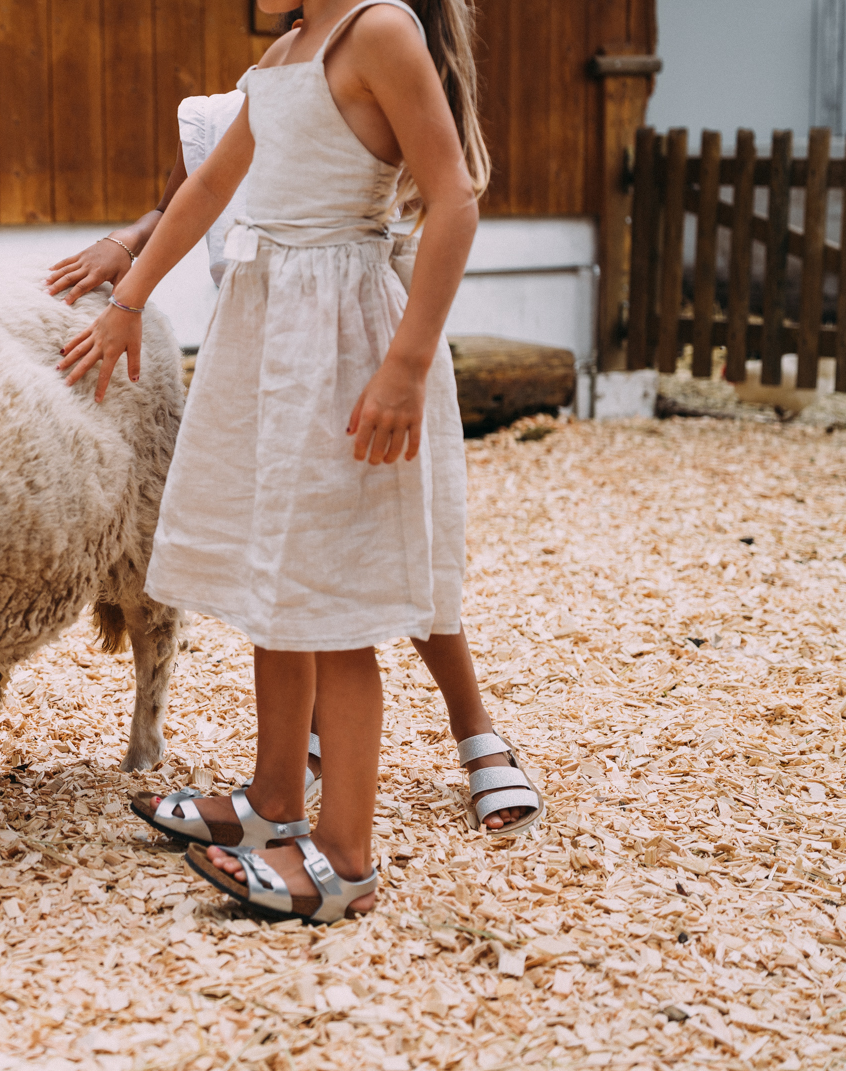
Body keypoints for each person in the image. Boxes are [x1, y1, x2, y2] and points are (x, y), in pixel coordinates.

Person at [55, 0, 534, 922]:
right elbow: (212, 185)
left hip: (343, 343)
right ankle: (270, 798)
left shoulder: (378, 33)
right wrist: (129, 296)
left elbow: (455, 194)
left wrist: (408, 364)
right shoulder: (288, 48)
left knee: (333, 605)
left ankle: (345, 854)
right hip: (271, 339)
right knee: (278, 587)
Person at [48, 89, 542, 839]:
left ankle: (475, 731)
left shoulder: (375, 79)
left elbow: (432, 205)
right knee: (283, 558)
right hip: (264, 359)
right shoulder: (243, 98)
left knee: (388, 549)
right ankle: (288, 765)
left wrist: (404, 362)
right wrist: (129, 246)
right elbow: (195, 189)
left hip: (349, 348)